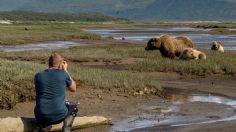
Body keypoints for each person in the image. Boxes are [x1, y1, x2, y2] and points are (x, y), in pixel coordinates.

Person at [34, 53, 77, 132]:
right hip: (58, 115)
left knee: (46, 105)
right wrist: (65, 70)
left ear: (49, 63)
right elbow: (74, 88)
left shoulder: (38, 75)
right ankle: (66, 130)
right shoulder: (63, 74)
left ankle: (45, 126)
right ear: (61, 64)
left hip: (40, 116)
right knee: (73, 107)